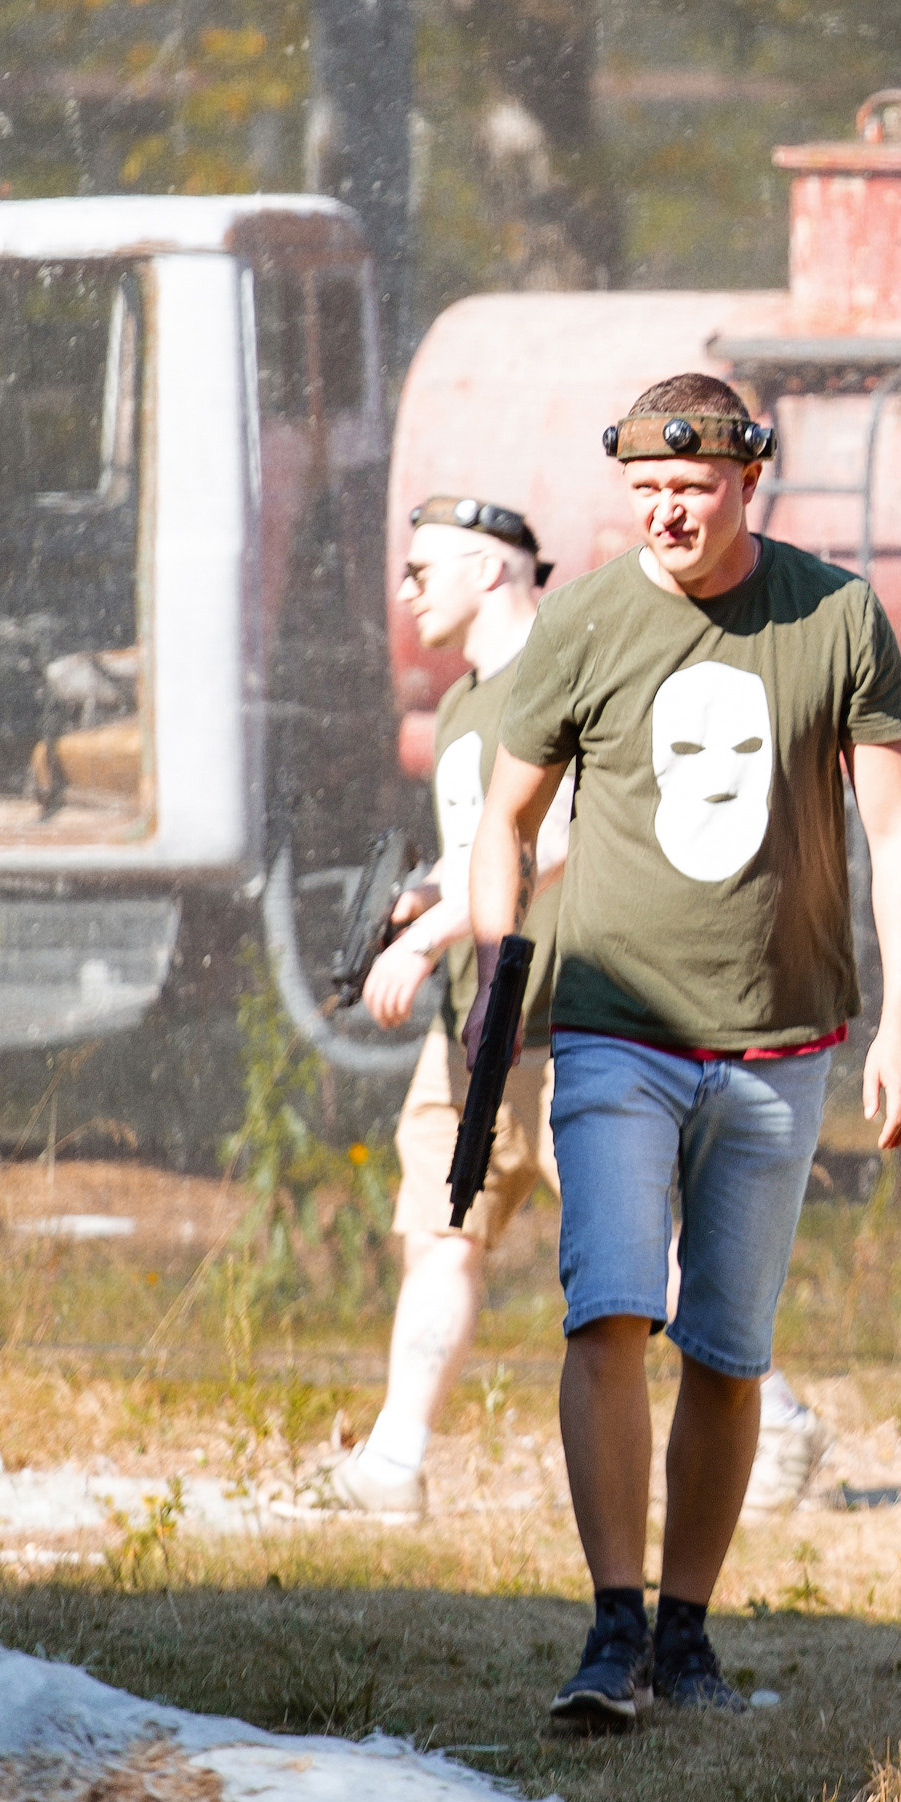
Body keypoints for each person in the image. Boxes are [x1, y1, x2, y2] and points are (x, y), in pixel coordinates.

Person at [470, 371, 901, 1730]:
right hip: (613, 1029)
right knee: (610, 1305)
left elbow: (898, 827)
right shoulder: (582, 619)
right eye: (647, 491)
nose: (668, 512)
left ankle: (686, 1634)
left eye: (693, 488)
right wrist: (500, 984)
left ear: (749, 482)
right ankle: (610, 1626)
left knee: (728, 1350)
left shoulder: (833, 613)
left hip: (781, 1040)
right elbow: (505, 820)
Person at [337, 496, 571, 1520]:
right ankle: (394, 1461)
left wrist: (426, 938)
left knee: (636, 1252)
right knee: (439, 1231)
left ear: (488, 569)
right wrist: (426, 894)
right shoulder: (461, 709)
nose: (404, 592)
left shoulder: (560, 675)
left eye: (421, 572)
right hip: (473, 1030)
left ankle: (773, 1418)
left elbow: (558, 836)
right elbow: (485, 844)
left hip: (571, 1021)